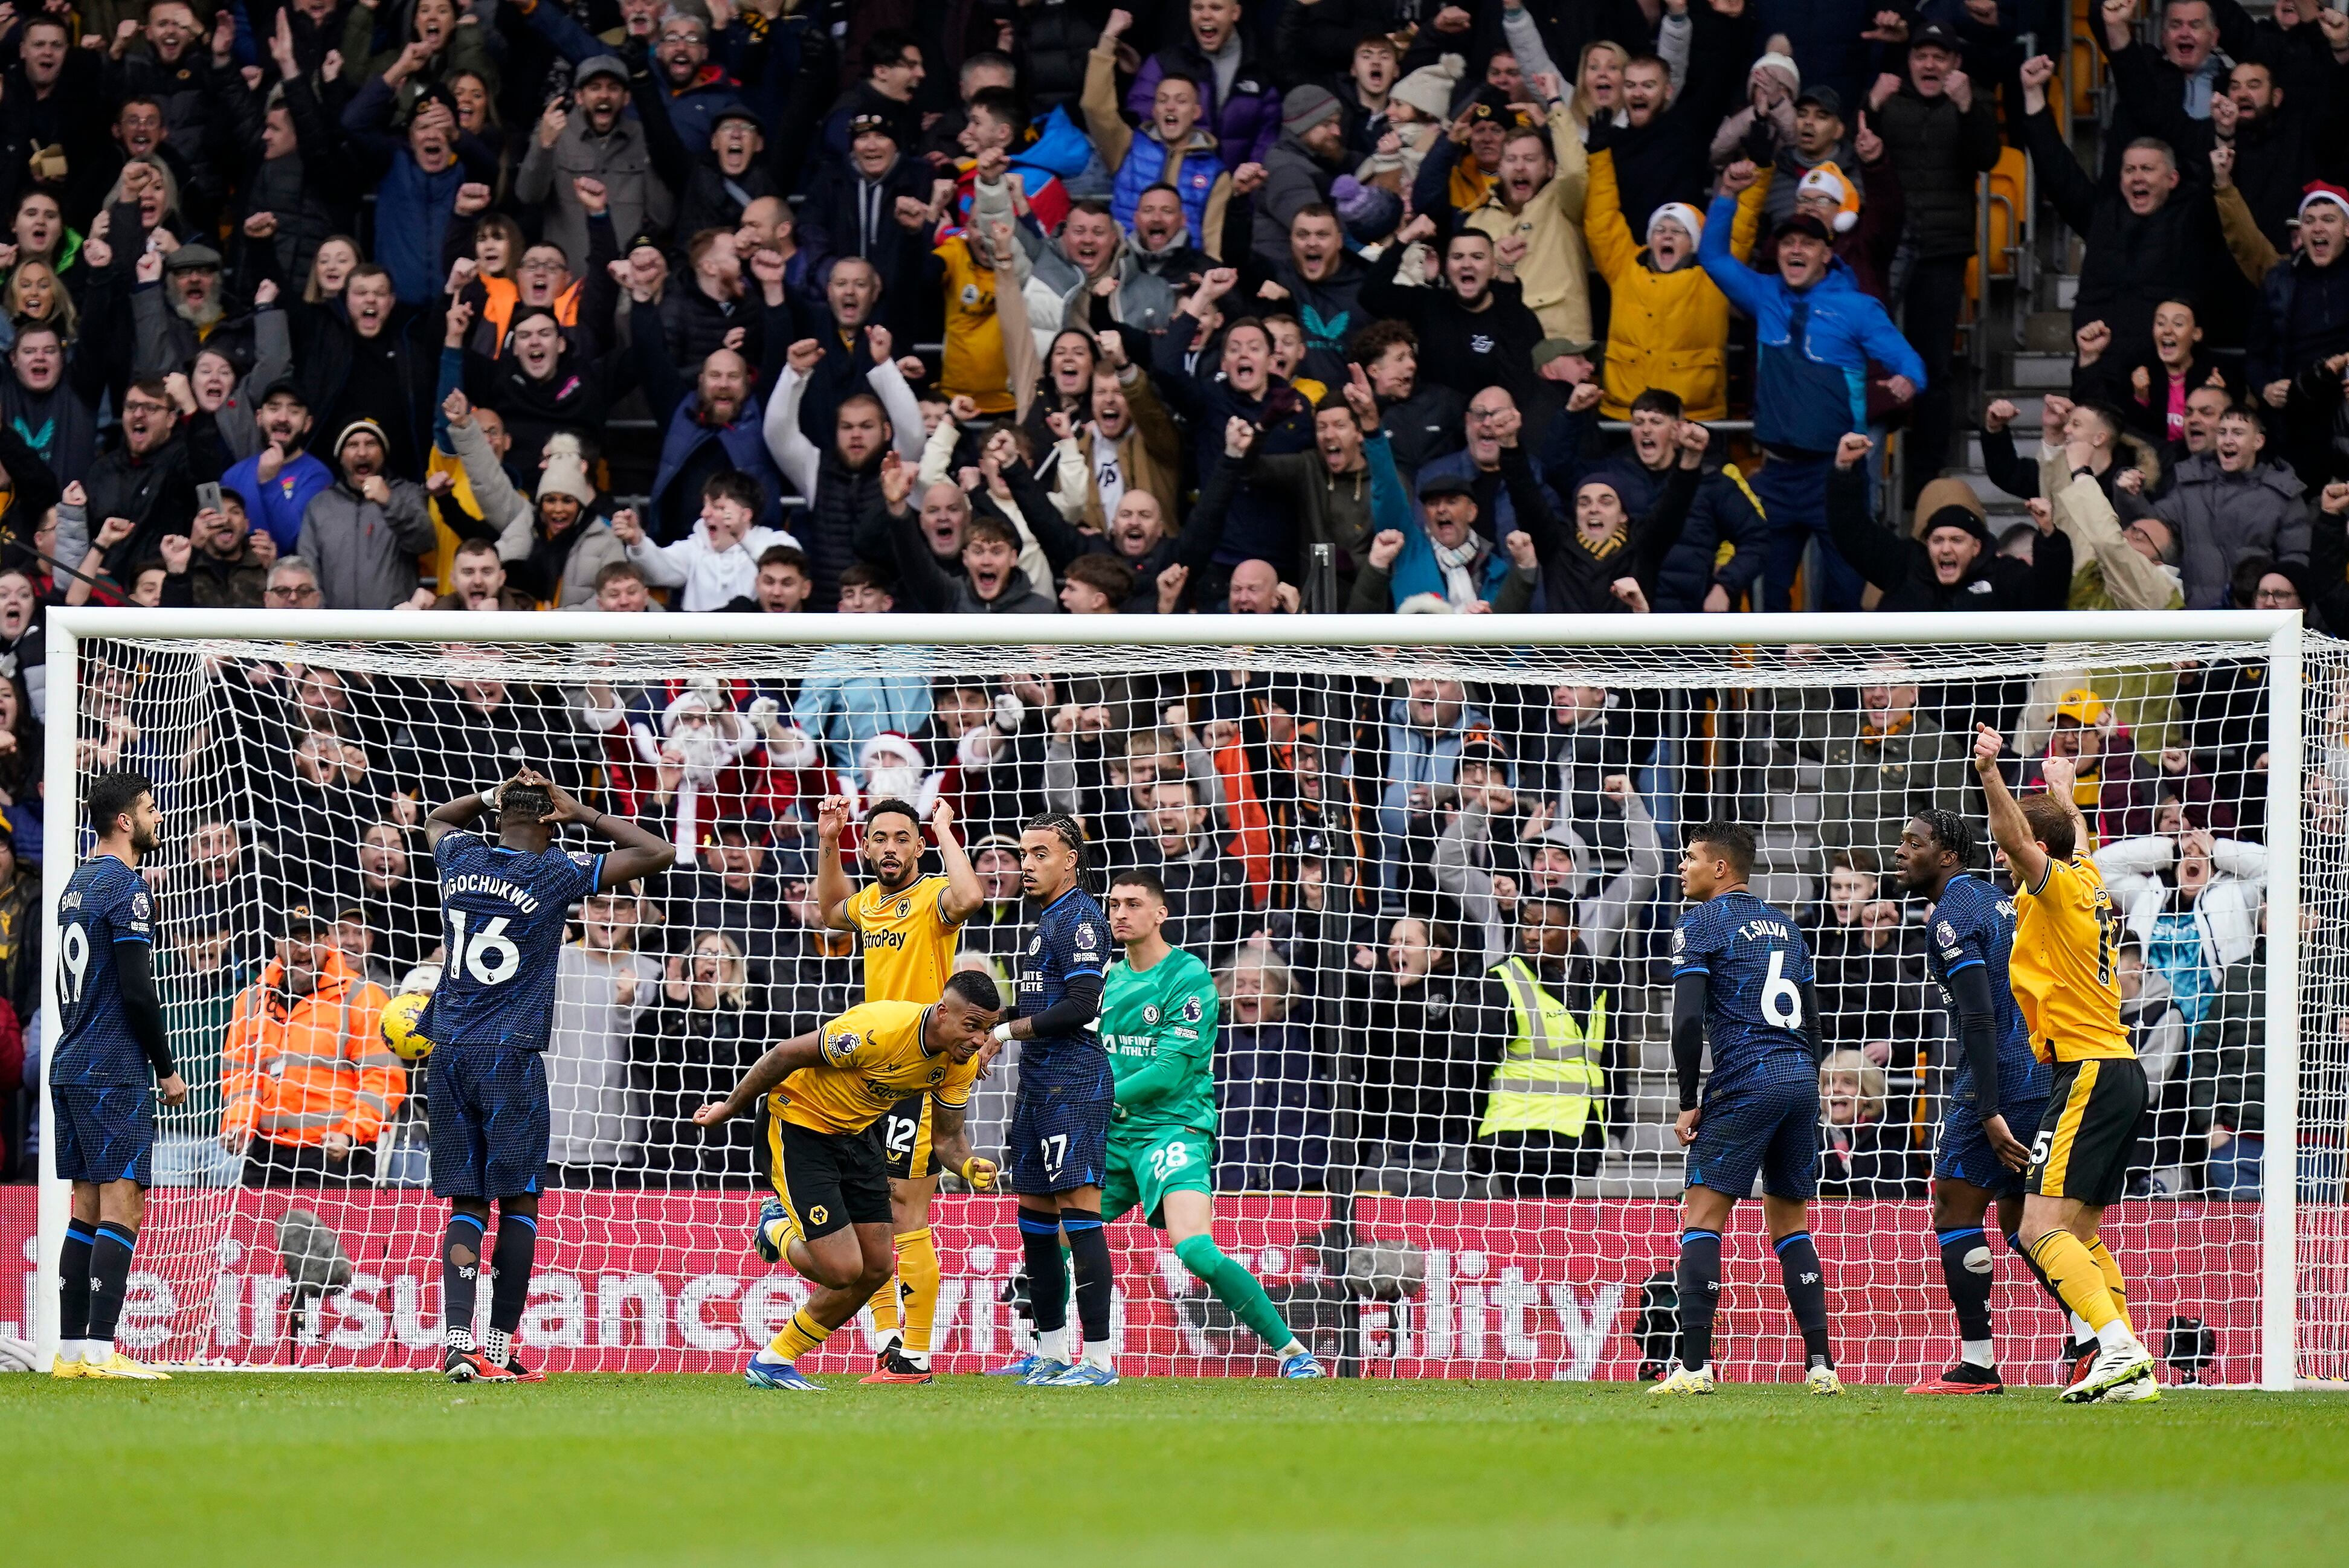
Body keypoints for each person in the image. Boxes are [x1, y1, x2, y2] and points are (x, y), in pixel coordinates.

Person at [419, 766, 676, 1382]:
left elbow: (435, 820)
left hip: (448, 1049)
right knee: (521, 1198)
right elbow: (657, 851)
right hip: (509, 1055)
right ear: (547, 820)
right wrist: (582, 811)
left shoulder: (460, 859)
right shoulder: (555, 872)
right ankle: (501, 1348)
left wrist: (487, 795)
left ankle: (458, 1343)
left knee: (467, 1199)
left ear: (502, 817)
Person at [692, 974, 1005, 1392]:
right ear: (942, 1011)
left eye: (987, 1028)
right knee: (842, 1271)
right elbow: (784, 1055)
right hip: (800, 1126)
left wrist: (968, 1166)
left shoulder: (958, 1064)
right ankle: (776, 1228)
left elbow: (948, 1140)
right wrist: (728, 1109)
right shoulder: (877, 1030)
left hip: (858, 1135)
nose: (979, 1038)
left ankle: (773, 1360)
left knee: (876, 1269)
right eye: (973, 1026)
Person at [1971, 725, 2163, 1404]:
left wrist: (1992, 773)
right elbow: (2072, 831)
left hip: (2086, 1071)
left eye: (2012, 848)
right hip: (2116, 1069)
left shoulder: (2051, 885)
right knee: (2080, 1231)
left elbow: (2026, 841)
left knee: (2037, 1227)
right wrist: (2061, 787)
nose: (2003, 856)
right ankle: (2129, 1365)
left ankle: (2113, 1347)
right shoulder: (2085, 876)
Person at [1097, 868, 1326, 1378]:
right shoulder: (1107, 981)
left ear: (1161, 914)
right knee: (1060, 1240)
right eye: (1114, 904)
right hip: (1113, 1134)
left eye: (1133, 904)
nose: (1120, 914)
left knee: (1195, 1249)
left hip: (1172, 1130)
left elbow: (1168, 1071)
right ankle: (1050, 1354)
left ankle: (1294, 1354)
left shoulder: (1189, 977)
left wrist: (1095, 1097)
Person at [792, 794, 984, 1385]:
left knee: (905, 1209)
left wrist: (947, 828)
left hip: (922, 1072)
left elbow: (971, 896)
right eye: (880, 838)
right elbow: (828, 913)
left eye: (903, 838)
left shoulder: (932, 899)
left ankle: (916, 1356)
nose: (891, 848)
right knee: (869, 1208)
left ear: (918, 847)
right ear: (867, 845)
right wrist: (828, 841)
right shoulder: (871, 904)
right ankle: (887, 1343)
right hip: (872, 1074)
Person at [1654, 820, 1839, 1398]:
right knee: (1790, 1224)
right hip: (1800, 1079)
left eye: (1689, 858)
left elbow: (1686, 1022)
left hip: (1746, 1078)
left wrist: (1689, 1101)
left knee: (1702, 1218)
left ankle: (1693, 1367)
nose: (1681, 867)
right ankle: (1821, 1366)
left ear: (1721, 868)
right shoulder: (1787, 926)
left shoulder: (1701, 921)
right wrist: (1803, 1076)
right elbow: (1812, 1020)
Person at [1890, 810, 2064, 1396]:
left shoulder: (1949, 919)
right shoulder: (2000, 902)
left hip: (1996, 1080)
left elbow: (1979, 1018)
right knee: (2024, 1223)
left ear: (1947, 856)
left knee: (1954, 1211)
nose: (1900, 850)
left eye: (1914, 842)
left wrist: (1987, 1109)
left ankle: (1978, 1362)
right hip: (2040, 1071)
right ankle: (2097, 1337)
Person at [47, 772, 187, 1380]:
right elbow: (137, 991)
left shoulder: (76, 884)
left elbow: (63, 983)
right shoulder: (127, 888)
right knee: (121, 1206)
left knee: (84, 1206)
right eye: (151, 809)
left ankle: (71, 1353)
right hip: (112, 1065)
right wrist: (167, 1069)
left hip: (72, 1057)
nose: (159, 818)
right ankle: (103, 1352)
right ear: (126, 821)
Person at [987, 811, 1116, 1386]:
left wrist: (1007, 1032)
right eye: (1024, 854)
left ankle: (1100, 1361)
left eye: (1040, 854)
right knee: (1034, 1220)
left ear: (1070, 858)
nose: (1027, 865)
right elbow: (1039, 1004)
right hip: (1038, 1081)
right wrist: (990, 1025)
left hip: (1075, 1079)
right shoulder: (1041, 921)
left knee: (1081, 1220)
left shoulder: (1083, 918)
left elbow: (1083, 1004)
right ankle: (1053, 1351)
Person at [217, 904, 401, 1187]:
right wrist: (238, 1125)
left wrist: (350, 1133)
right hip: (267, 1152)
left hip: (338, 1153)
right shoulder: (252, 1000)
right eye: (293, 940)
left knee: (334, 1234)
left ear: (327, 942)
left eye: (312, 939)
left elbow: (383, 1079)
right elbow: (240, 1075)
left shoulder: (363, 997)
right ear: (277, 944)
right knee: (254, 1232)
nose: (303, 949)